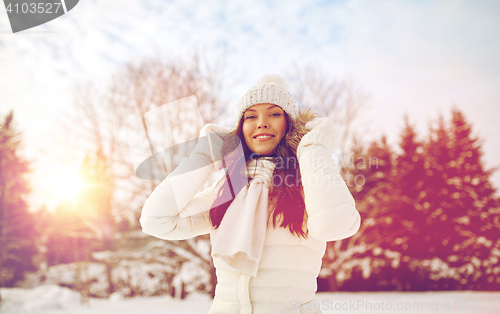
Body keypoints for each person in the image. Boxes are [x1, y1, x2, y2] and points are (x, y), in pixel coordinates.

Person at [140, 75, 361, 314]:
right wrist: (203, 157)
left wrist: (312, 148)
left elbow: (336, 225)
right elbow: (157, 221)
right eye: (251, 116)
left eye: (274, 114)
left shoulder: (307, 186)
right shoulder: (227, 190)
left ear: (290, 126)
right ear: (241, 129)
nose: (262, 123)